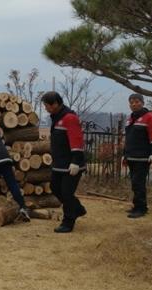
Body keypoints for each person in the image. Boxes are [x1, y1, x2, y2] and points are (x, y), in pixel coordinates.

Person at [41, 91, 86, 233]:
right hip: (59, 163)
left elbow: (77, 140)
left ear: (55, 104)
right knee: (55, 188)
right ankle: (77, 208)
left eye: (47, 105)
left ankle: (68, 222)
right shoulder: (57, 117)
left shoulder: (69, 118)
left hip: (71, 164)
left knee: (66, 193)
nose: (45, 108)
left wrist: (76, 161)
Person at [122, 93, 152, 218]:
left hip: (142, 157)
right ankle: (136, 205)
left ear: (142, 103)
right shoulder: (130, 118)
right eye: (131, 102)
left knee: (138, 183)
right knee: (134, 183)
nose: (134, 104)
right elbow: (128, 138)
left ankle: (141, 208)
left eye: (137, 101)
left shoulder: (149, 117)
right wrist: (125, 154)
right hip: (131, 156)